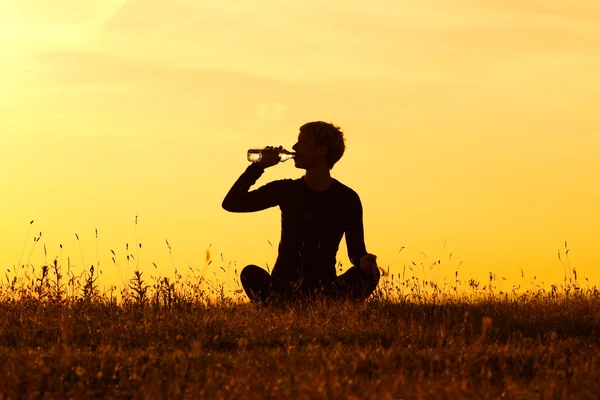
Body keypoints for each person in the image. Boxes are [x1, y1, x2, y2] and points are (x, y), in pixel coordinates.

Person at [222, 121, 380, 304]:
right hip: (283, 286)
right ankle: (299, 304)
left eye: (302, 142)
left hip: (325, 288)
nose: (294, 147)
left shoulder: (347, 198)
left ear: (321, 150)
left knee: (371, 275)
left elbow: (356, 251)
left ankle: (315, 303)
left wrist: (364, 262)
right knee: (250, 273)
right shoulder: (287, 189)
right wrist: (258, 167)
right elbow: (232, 203)